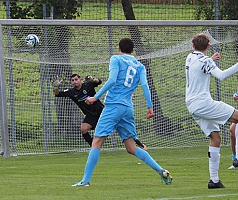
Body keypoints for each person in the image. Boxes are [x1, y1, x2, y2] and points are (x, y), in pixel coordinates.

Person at [71, 38, 172, 187]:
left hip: (113, 106)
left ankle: (85, 180)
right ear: (133, 51)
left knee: (97, 141)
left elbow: (112, 80)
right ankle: (160, 171)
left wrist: (95, 97)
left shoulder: (116, 59)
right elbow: (145, 85)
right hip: (127, 109)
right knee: (131, 148)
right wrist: (150, 107)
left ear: (119, 49)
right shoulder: (140, 66)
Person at [185, 33, 238, 189]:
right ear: (209, 46)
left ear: (193, 46)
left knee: (215, 138)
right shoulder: (205, 61)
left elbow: (201, 66)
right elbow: (222, 75)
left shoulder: (190, 57)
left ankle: (214, 180)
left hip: (191, 105)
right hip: (203, 103)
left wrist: (211, 60)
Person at [52, 74, 147, 149]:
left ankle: (138, 142)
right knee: (83, 129)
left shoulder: (87, 85)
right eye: (72, 80)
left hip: (101, 112)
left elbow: (99, 82)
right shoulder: (71, 92)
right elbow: (58, 94)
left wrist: (93, 79)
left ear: (80, 79)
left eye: (76, 79)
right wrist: (56, 87)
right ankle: (93, 146)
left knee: (119, 125)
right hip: (90, 115)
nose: (74, 82)